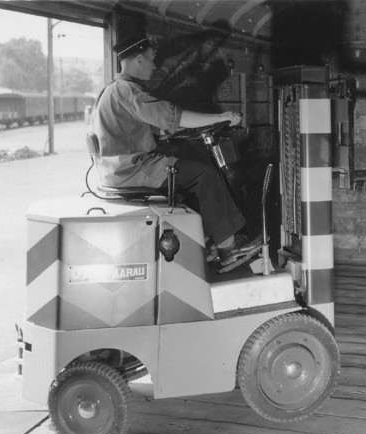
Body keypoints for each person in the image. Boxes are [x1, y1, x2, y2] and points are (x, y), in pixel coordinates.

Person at [90, 34, 261, 266]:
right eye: (151, 59)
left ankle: (211, 239)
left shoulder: (113, 90)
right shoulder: (129, 91)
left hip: (120, 170)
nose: (154, 64)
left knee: (185, 164)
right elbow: (175, 115)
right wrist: (223, 116)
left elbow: (150, 128)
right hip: (133, 170)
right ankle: (228, 247)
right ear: (139, 59)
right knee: (203, 175)